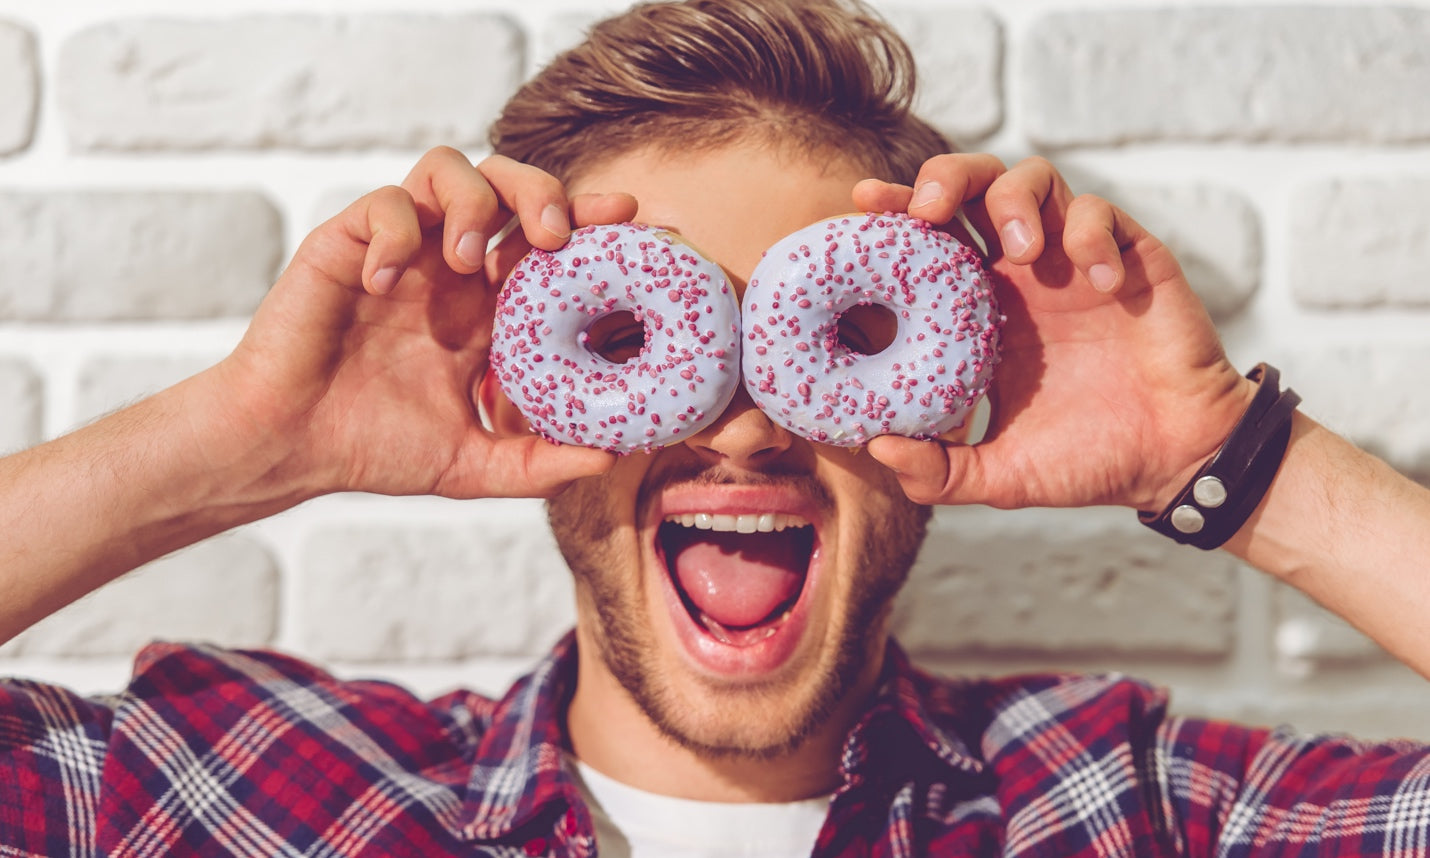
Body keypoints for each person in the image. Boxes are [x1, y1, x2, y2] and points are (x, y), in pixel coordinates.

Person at [4, 0, 1430, 855]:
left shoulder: (1137, 811)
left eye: (829, 341)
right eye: (648, 339)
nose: (742, 424)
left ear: (950, 378)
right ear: (519, 382)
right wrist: (241, 439)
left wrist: (1230, 464)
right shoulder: (249, 793)